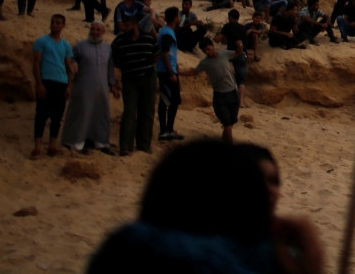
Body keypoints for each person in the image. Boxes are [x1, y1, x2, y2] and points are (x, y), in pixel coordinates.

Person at [87, 140, 279, 274]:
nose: (271, 192)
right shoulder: (255, 256)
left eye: (274, 181)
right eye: (262, 183)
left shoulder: (124, 250)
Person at [233, 145, 327, 274]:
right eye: (258, 182)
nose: (270, 190)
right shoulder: (214, 245)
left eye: (273, 181)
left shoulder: (283, 241)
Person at [62, 21, 118, 154]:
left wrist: (113, 86)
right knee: (82, 113)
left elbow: (110, 69)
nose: (95, 32)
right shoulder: (80, 46)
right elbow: (71, 59)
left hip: (101, 89)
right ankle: (76, 143)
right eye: (93, 29)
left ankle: (101, 143)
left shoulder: (108, 48)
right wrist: (74, 64)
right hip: (83, 87)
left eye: (98, 30)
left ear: (103, 32)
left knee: (101, 115)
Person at [111, 15, 159, 156]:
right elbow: (113, 59)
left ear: (135, 25)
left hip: (148, 78)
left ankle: (144, 145)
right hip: (129, 80)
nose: (124, 28)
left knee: (147, 112)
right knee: (129, 112)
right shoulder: (119, 41)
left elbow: (156, 55)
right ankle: (125, 146)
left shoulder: (149, 38)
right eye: (123, 26)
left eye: (127, 26)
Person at [31, 14, 74, 159]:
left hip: (61, 83)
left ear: (63, 26)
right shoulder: (41, 41)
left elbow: (69, 66)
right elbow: (36, 63)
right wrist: (39, 84)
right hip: (46, 81)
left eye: (58, 23)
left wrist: (69, 86)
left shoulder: (66, 45)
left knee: (57, 116)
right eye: (53, 22)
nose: (54, 25)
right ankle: (37, 146)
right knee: (41, 115)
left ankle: (52, 145)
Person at [191, 38, 241, 144]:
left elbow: (237, 53)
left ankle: (224, 140)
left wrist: (240, 45)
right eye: (205, 51)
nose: (207, 52)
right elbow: (194, 72)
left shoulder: (224, 54)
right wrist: (177, 72)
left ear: (212, 45)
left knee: (231, 121)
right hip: (220, 96)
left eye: (208, 49)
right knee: (226, 123)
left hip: (232, 92)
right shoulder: (204, 63)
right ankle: (230, 146)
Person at [156, 7, 183, 142]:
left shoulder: (168, 31)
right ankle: (164, 131)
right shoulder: (166, 32)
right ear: (174, 17)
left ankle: (169, 129)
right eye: (178, 15)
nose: (179, 18)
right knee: (166, 100)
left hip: (169, 70)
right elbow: (164, 53)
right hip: (166, 72)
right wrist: (171, 72)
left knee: (174, 100)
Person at [216, 9, 249, 107]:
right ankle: (241, 101)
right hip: (242, 54)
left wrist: (213, 37)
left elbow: (218, 39)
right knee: (241, 79)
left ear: (230, 17)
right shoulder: (243, 28)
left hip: (231, 54)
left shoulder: (227, 26)